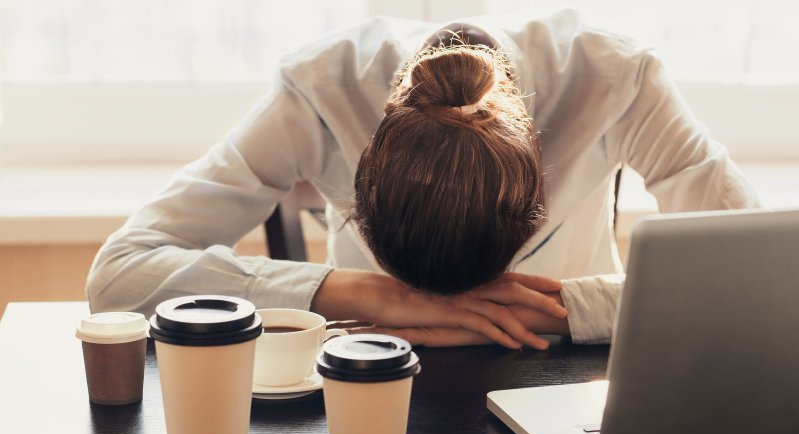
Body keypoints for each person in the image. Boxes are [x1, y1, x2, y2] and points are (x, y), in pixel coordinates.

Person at [86, 9, 764, 350]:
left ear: (537, 185)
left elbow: (763, 274)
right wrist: (369, 296)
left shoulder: (616, 78)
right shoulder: (324, 87)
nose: (462, 309)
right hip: (375, 365)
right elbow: (120, 274)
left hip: (565, 374)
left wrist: (563, 308)